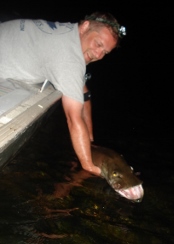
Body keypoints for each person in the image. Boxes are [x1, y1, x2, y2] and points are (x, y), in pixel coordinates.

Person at [0, 12, 126, 175]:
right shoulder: (69, 58)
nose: (98, 55)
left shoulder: (69, 34)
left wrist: (90, 139)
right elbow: (74, 118)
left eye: (105, 52)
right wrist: (88, 165)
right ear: (85, 26)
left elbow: (84, 93)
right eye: (98, 44)